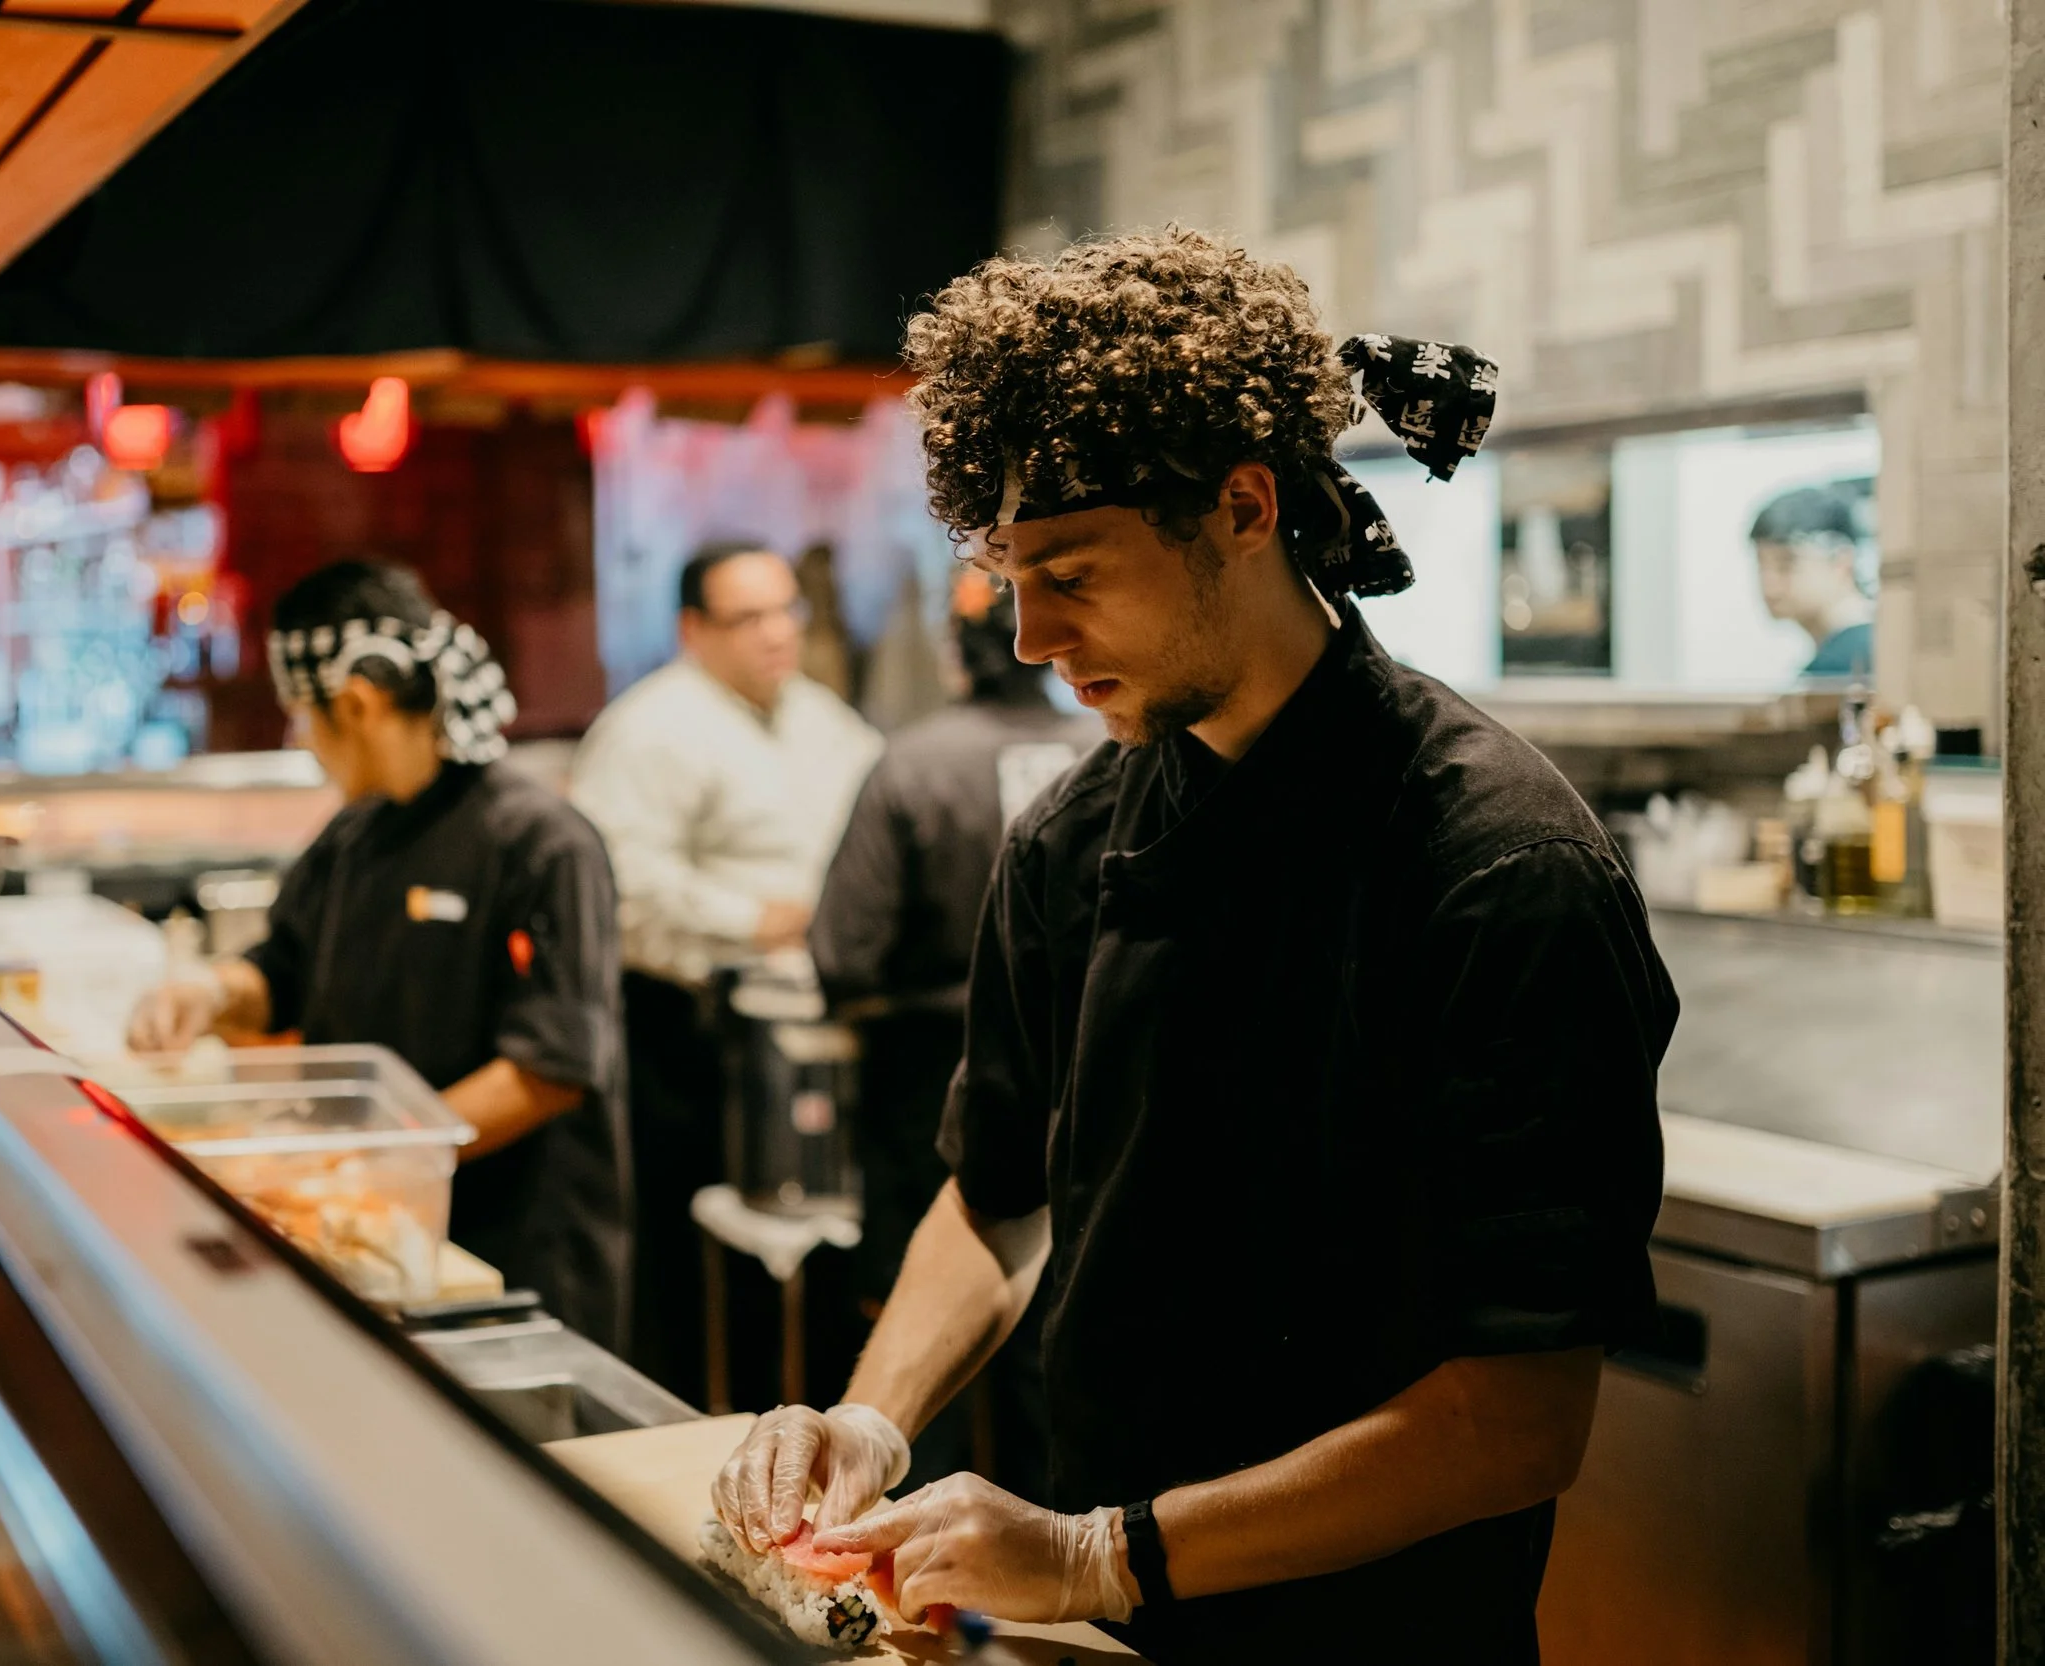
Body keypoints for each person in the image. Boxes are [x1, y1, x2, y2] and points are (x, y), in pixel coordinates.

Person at [709, 230, 1677, 1664]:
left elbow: (1522, 1412)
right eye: (1007, 575)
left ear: (1241, 506)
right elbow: (997, 1196)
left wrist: (1103, 1548)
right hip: (1093, 1634)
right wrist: (871, 1416)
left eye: (1074, 571)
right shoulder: (1067, 839)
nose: (1032, 634)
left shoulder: (1498, 865)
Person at [127, 561, 629, 1348]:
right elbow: (281, 972)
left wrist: (367, 1158)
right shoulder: (354, 834)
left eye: (301, 715)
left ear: (356, 704)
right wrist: (213, 991)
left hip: (515, 1267)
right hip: (378, 1242)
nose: (302, 740)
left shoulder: (542, 843)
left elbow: (550, 1071)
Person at [569, 541, 883, 1401]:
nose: (778, 633)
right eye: (749, 618)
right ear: (693, 629)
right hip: (686, 1030)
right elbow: (616, 884)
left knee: (820, 1254)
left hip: (810, 1023)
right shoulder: (651, 728)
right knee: (695, 1266)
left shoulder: (822, 718)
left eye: (788, 611)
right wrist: (755, 919)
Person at [806, 574, 1096, 1496]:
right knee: (1051, 1366)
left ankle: (896, 1573)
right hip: (1079, 1091)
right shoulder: (1109, 754)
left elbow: (843, 951)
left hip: (928, 1085)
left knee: (913, 1380)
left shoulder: (916, 762)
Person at [1751, 480, 1875, 680]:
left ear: (1842, 563)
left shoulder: (1845, 665)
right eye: (1761, 565)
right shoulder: (1874, 646)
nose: (1769, 585)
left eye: (1786, 564)